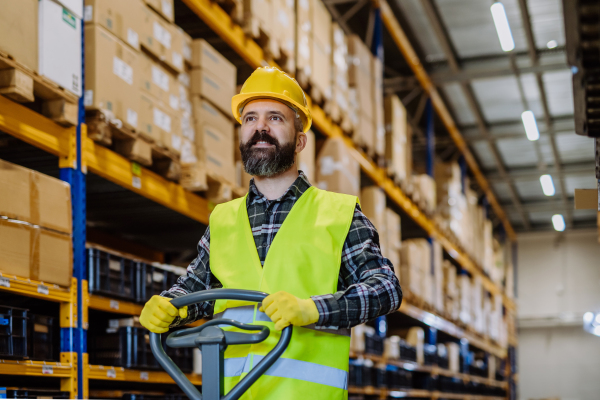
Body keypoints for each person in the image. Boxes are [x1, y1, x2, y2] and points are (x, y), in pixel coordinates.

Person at [140, 66, 402, 399]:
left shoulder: (338, 215)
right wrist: (168, 305)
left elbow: (386, 289)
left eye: (275, 118)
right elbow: (195, 289)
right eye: (250, 119)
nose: (259, 127)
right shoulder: (223, 220)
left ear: (301, 139)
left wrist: (313, 309)